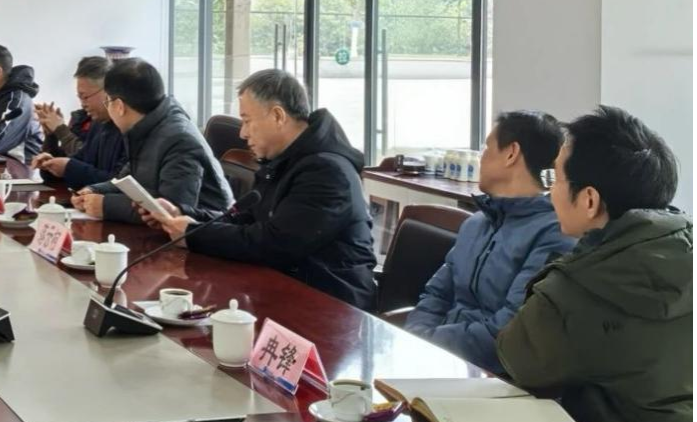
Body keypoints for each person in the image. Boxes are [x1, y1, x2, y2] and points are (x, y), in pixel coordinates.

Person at [496, 106, 692, 422]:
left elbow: (517, 357)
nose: (550, 192)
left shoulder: (580, 287)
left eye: (555, 178)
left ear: (589, 200)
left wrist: (573, 263)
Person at [142, 69, 376, 310]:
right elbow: (245, 219)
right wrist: (183, 214)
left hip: (330, 306)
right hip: (283, 290)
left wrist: (192, 234)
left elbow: (275, 244)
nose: (242, 133)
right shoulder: (284, 161)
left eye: (247, 120)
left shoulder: (327, 172)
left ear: (277, 116)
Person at [405, 111, 574, 374]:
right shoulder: (476, 223)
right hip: (443, 361)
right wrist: (415, 338)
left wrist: (429, 344)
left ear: (511, 153)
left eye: (486, 148)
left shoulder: (555, 233)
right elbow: (437, 294)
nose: (480, 158)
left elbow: (507, 330)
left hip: (494, 376)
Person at [72, 58, 231, 223]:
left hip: (204, 232)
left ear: (119, 106)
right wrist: (94, 190)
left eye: (108, 102)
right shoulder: (145, 127)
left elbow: (172, 209)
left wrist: (106, 206)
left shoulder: (179, 140)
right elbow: (127, 180)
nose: (108, 108)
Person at [31, 57, 128, 189]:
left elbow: (118, 184)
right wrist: (51, 162)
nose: (83, 104)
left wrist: (68, 167)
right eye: (80, 97)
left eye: (85, 97)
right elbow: (78, 166)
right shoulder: (97, 123)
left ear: (107, 92)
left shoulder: (126, 127)